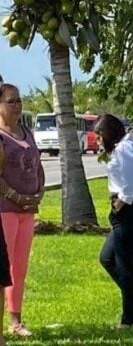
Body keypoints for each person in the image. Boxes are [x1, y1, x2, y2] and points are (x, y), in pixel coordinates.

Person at [95, 114, 133, 328]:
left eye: (99, 135)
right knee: (107, 258)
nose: (98, 140)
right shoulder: (131, 144)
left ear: (108, 133)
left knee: (125, 265)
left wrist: (120, 203)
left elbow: (129, 183)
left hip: (129, 207)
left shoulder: (124, 149)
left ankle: (129, 320)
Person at [0, 81, 39, 340]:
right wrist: (16, 196)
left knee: (21, 267)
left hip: (28, 209)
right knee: (5, 267)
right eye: (10, 101)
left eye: (18, 100)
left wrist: (38, 193)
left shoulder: (27, 132)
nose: (16, 105)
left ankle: (16, 320)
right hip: (5, 208)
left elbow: (37, 165)